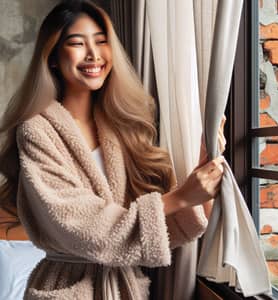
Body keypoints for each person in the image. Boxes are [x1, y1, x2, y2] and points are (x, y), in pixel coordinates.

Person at [0, 0, 225, 299]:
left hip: (123, 288)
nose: (93, 54)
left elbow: (153, 231)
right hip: (65, 288)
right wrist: (182, 196)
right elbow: (81, 224)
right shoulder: (36, 131)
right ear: (52, 56)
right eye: (77, 43)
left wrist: (201, 174)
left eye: (102, 42)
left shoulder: (121, 128)